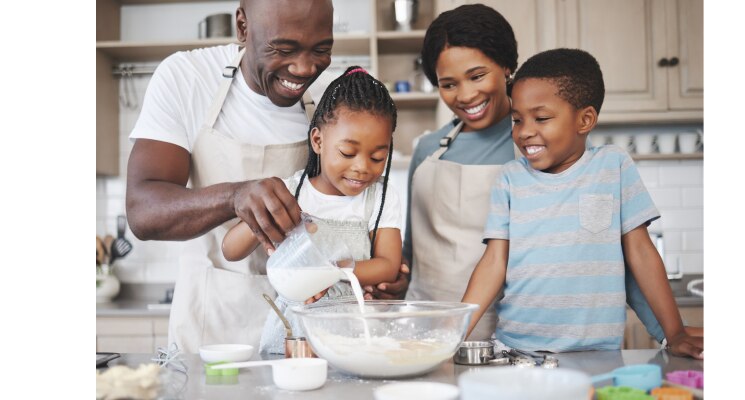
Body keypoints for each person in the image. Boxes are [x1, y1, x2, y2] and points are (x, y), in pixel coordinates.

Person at [370, 4, 671, 345]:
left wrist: (667, 332)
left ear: (506, 68)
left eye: (477, 75)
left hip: (512, 341)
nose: (466, 95)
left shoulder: (544, 150)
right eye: (448, 84)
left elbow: (612, 252)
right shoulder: (427, 151)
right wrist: (394, 280)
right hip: (432, 333)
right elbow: (411, 250)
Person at [125, 0, 339, 353]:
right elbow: (143, 212)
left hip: (306, 330)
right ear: (243, 26)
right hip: (212, 326)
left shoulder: (335, 94)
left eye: (321, 49)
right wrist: (233, 197)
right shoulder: (187, 78)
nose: (304, 67)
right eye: (283, 49)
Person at [461, 48, 704, 359]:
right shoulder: (510, 179)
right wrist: (454, 335)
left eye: (542, 118)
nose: (524, 132)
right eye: (517, 119)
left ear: (585, 119)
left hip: (597, 353)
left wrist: (675, 333)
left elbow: (640, 253)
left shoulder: (612, 167)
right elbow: (494, 262)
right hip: (516, 350)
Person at [220, 66, 403, 355]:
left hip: (352, 334)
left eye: (378, 157)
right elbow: (230, 250)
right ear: (318, 141)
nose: (362, 167)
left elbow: (389, 265)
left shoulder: (379, 196)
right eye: (347, 153)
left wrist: (333, 271)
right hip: (294, 334)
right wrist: (261, 211)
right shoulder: (292, 192)